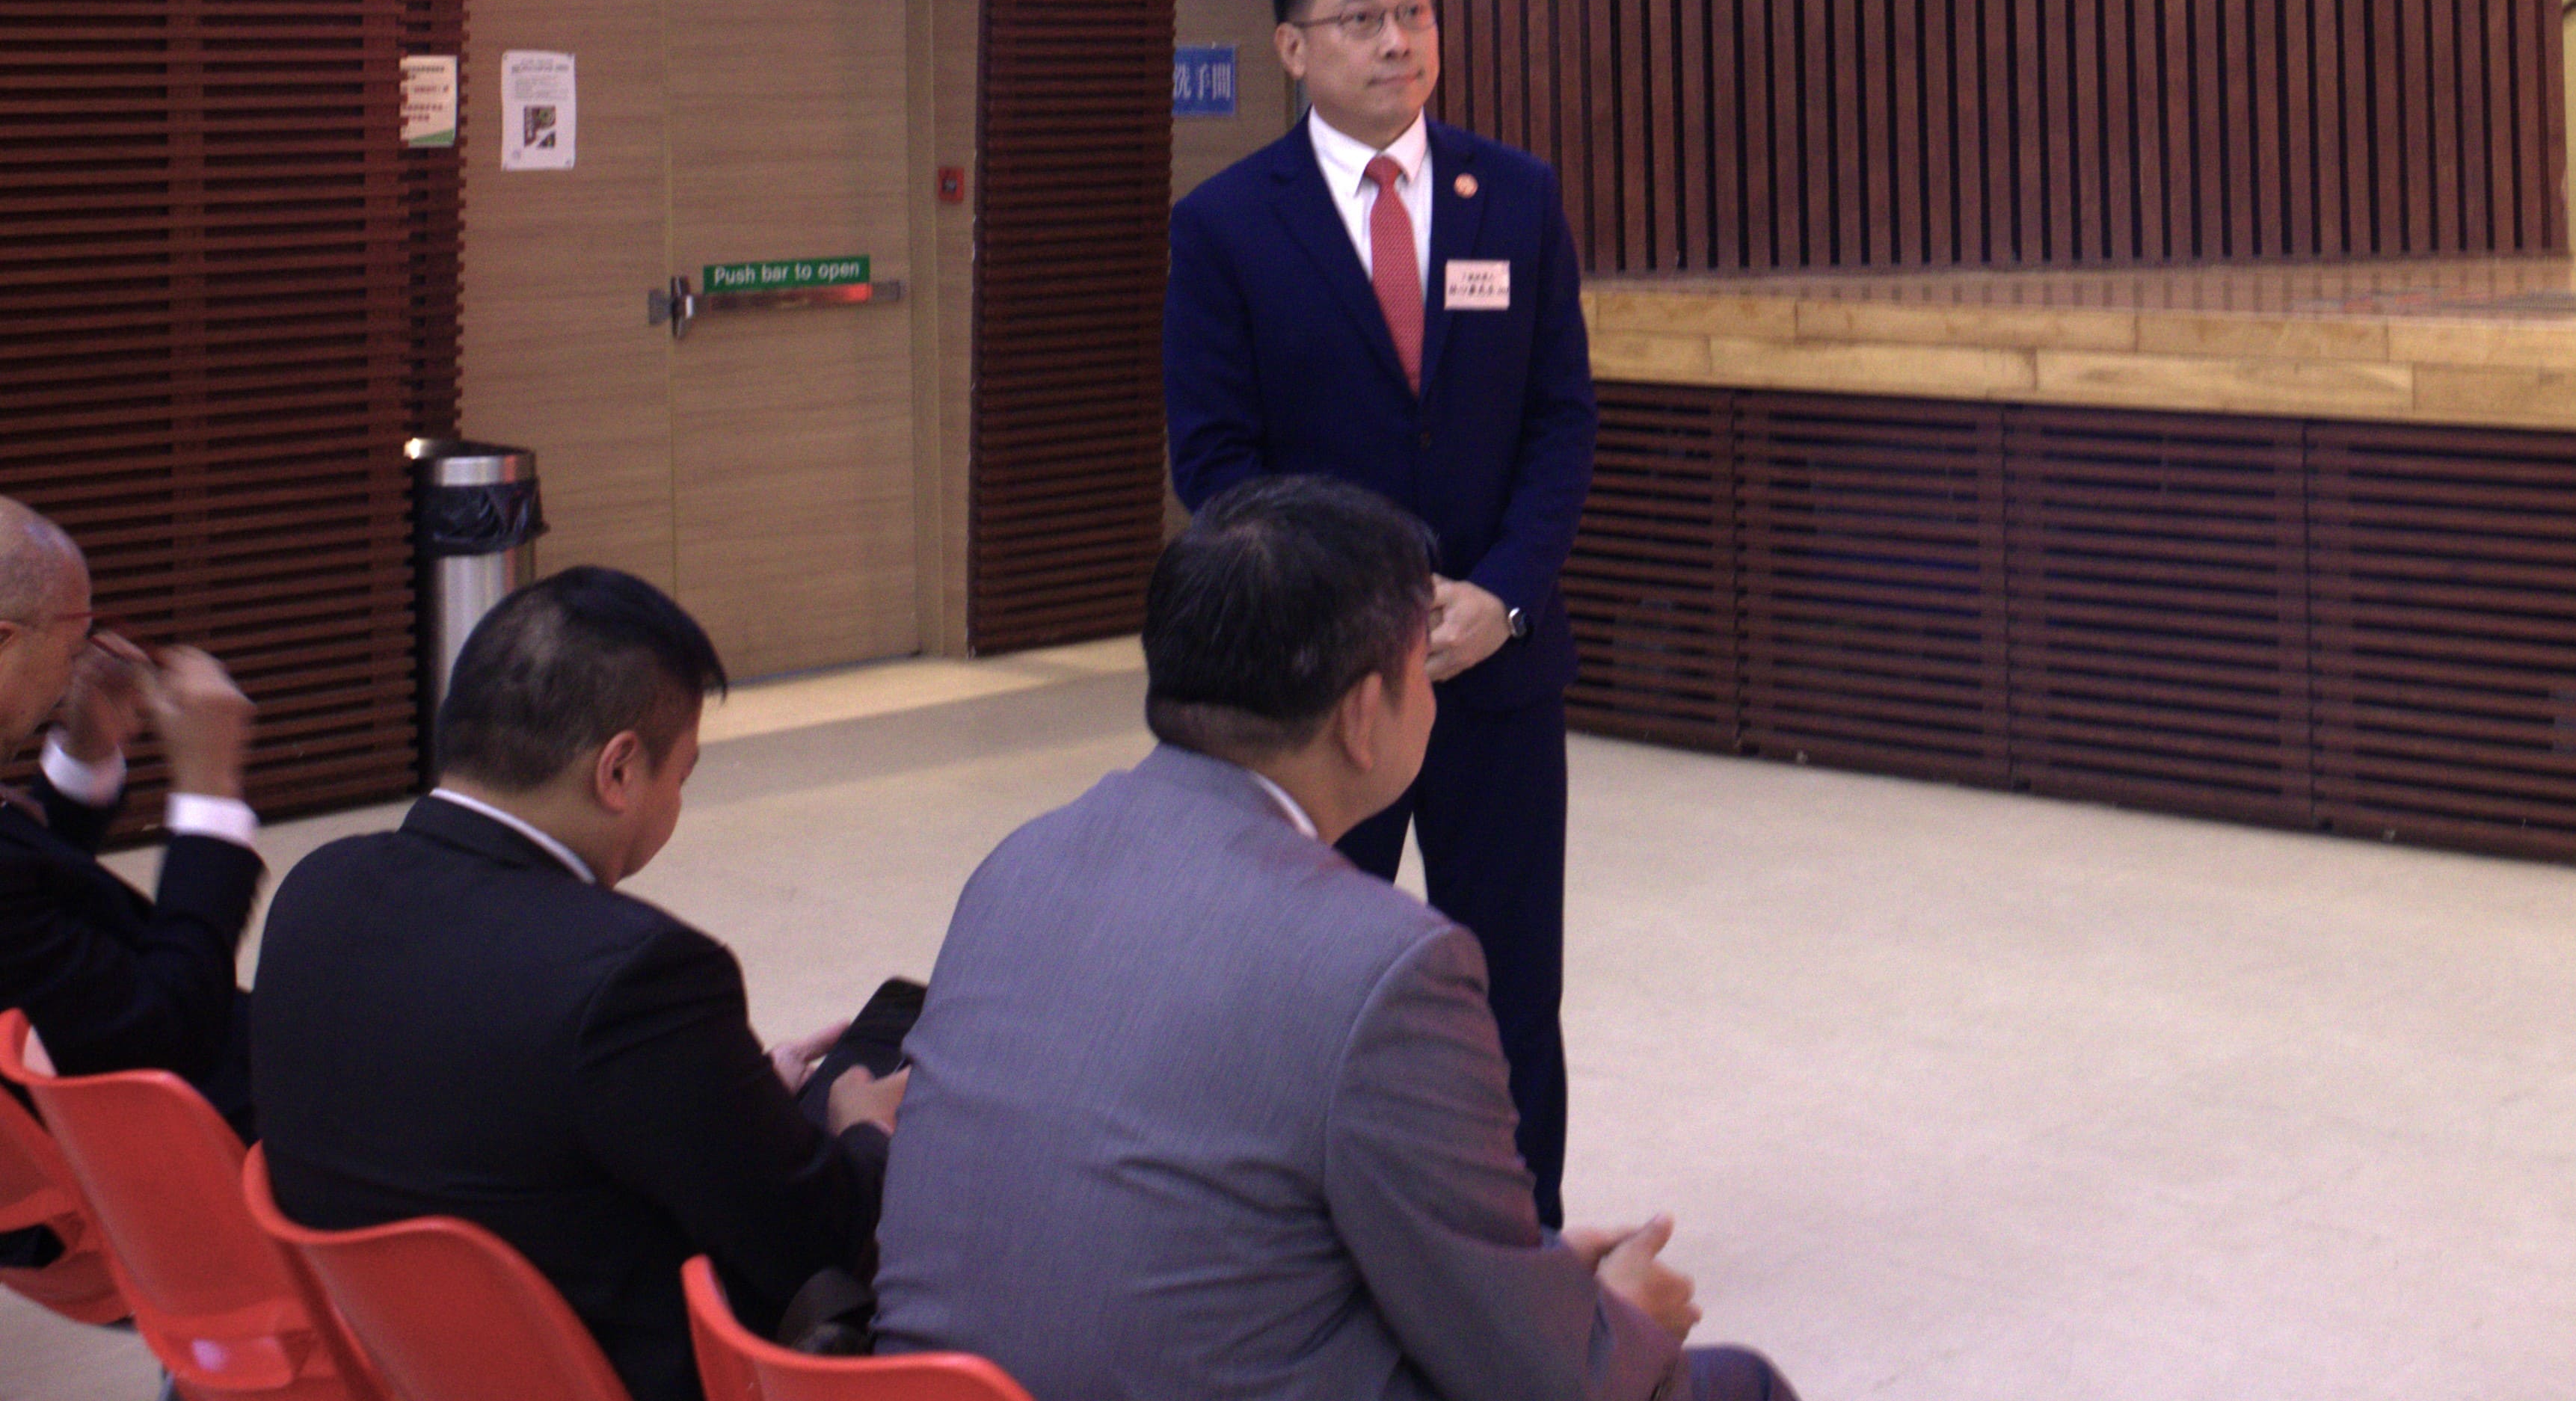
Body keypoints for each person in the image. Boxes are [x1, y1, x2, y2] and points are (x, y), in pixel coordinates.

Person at [875, 475, 1795, 1401]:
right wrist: (1618, 1315)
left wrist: (1540, 1277)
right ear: (1362, 715)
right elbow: (1546, 1378)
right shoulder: (1386, 966)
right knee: (1729, 1385)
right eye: (1422, 665)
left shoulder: (1018, 865)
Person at [1163, 0, 1598, 1225]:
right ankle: (1319, 1233)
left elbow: (1560, 420)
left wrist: (1504, 592)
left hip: (1493, 666)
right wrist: (1359, 612)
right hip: (1323, 690)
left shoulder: (1511, 194)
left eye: (1414, 11)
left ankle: (1515, 1239)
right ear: (1293, 48)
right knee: (1315, 982)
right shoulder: (1226, 225)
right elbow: (1217, 461)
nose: (1397, 40)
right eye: (1361, 18)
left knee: (1506, 980)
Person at [250, 567, 905, 1401]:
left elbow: (494, 1112)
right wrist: (861, 1126)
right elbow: (819, 1239)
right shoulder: (637, 974)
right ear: (619, 771)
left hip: (395, 1368)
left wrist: (732, 1102)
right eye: (682, 776)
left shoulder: (315, 890)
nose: (677, 802)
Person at [0, 495, 262, 1130]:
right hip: (201, 1127)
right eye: (71, 649)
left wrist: (85, 755)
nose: (72, 674)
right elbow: (170, 1027)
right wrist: (209, 790)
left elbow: (35, 913)